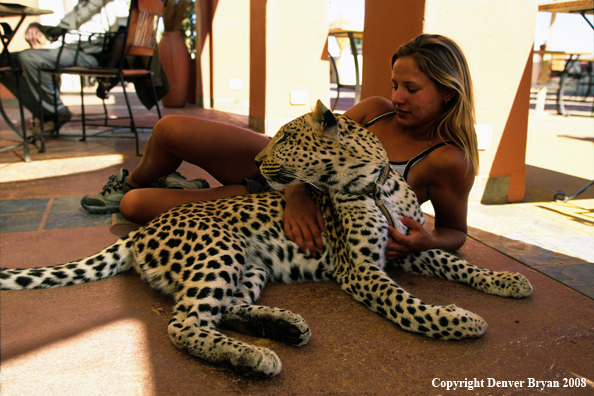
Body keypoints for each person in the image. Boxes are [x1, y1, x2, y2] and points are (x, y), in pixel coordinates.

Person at [81, 34, 479, 260]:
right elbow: (310, 136)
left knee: (134, 211)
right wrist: (296, 192)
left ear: (447, 93)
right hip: (282, 174)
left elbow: (454, 231)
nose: (397, 96)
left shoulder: (448, 161)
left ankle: (184, 191)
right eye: (395, 84)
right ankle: (130, 179)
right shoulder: (375, 111)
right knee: (169, 129)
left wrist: (425, 242)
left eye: (411, 89)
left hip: (273, 213)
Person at [0, 0, 127, 135]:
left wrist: (106, 76)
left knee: (29, 57)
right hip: (63, 48)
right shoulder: (82, 4)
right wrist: (35, 25)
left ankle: (56, 111)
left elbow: (122, 35)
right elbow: (59, 30)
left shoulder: (112, 3)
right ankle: (51, 113)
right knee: (3, 61)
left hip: (89, 54)